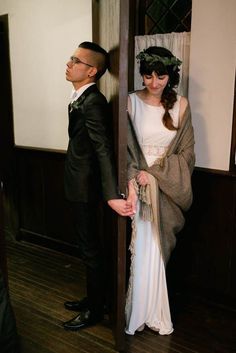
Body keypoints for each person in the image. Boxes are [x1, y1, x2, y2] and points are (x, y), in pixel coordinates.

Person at [63, 41, 133, 331]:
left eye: (75, 60)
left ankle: (95, 311)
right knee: (87, 246)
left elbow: (103, 148)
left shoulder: (93, 102)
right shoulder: (80, 95)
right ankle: (95, 298)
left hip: (86, 187)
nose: (68, 63)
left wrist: (110, 195)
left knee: (91, 249)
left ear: (92, 70)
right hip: (78, 182)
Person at [125, 46, 195, 335]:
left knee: (156, 249)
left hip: (165, 187)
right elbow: (124, 149)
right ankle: (137, 312)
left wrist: (154, 174)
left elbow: (187, 154)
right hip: (137, 186)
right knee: (141, 250)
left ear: (171, 76)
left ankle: (155, 312)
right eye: (148, 76)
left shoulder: (182, 105)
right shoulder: (129, 103)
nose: (154, 83)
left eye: (161, 76)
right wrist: (136, 177)